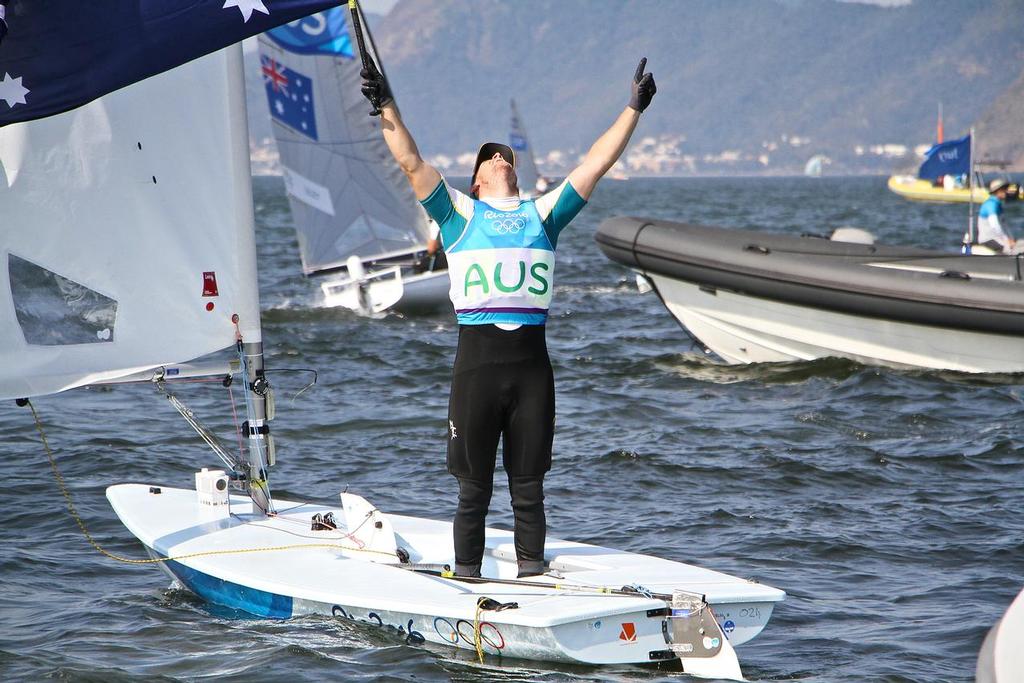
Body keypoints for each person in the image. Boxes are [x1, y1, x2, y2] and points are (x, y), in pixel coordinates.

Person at [360, 55, 656, 578]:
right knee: (473, 490)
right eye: (490, 158)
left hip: (530, 371)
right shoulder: (456, 213)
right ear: (474, 180)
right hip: (476, 369)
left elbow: (595, 163)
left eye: (505, 155)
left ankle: (532, 575)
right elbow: (409, 160)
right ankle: (467, 577)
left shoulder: (544, 213)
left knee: (529, 487)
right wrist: (384, 103)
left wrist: (633, 107)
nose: (500, 158)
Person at [977, 179, 1019, 254]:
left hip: (997, 238)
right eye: (1004, 189)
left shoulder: (998, 204)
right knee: (1013, 249)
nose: (1006, 191)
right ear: (997, 191)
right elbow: (995, 225)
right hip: (988, 240)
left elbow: (1003, 225)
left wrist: (1010, 238)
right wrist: (1007, 240)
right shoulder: (991, 204)